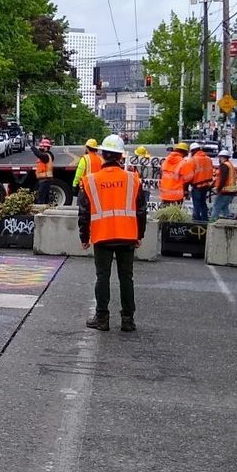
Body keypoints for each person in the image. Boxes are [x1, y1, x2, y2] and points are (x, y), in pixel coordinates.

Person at [78, 135, 147, 333]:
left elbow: (83, 212)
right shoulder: (133, 179)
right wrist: (139, 235)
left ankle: (102, 318)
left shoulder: (91, 180)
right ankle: (128, 320)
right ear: (120, 156)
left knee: (102, 277)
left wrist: (84, 237)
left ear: (103, 155)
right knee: (126, 278)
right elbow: (141, 211)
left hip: (102, 236)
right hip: (127, 235)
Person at [186, 141, 213, 222]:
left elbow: (189, 175)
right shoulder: (208, 159)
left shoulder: (192, 160)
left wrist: (186, 186)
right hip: (206, 186)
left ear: (192, 151)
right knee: (203, 203)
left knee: (196, 205)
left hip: (197, 186)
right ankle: (204, 220)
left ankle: (197, 221)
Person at [212, 148, 237, 219]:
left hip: (225, 191)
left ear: (222, 157)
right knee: (224, 208)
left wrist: (218, 188)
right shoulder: (230, 165)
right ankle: (228, 222)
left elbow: (223, 179)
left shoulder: (224, 166)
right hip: (231, 191)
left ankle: (213, 221)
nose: (219, 159)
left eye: (219, 157)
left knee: (216, 206)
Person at [158, 141, 188, 208]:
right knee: (174, 213)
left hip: (165, 193)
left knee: (165, 212)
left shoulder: (166, 161)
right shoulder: (183, 163)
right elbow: (187, 179)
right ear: (184, 152)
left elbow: (161, 174)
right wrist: (186, 191)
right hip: (176, 195)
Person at [33, 137, 55, 203]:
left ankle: (42, 209)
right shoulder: (47, 155)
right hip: (44, 179)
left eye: (42, 147)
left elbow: (39, 154)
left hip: (45, 179)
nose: (41, 148)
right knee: (45, 199)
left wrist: (33, 147)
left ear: (46, 147)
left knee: (41, 199)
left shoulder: (46, 156)